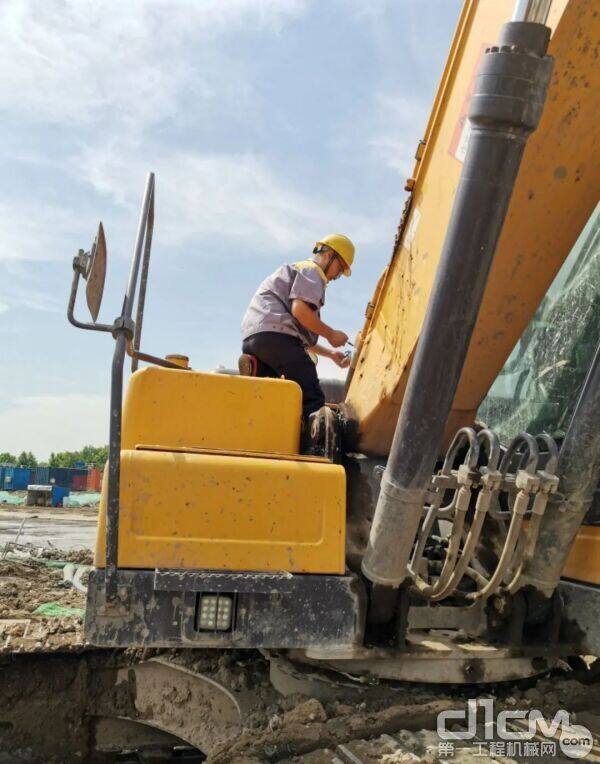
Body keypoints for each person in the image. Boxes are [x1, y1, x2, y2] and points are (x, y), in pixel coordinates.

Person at [240, 234, 355, 419]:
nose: (337, 276)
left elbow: (295, 338)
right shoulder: (313, 271)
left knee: (275, 393)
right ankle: (315, 444)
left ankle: (258, 369)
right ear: (328, 255)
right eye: (339, 268)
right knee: (311, 395)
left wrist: (331, 355)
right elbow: (300, 311)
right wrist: (331, 334)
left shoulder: (296, 270)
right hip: (277, 338)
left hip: (256, 337)